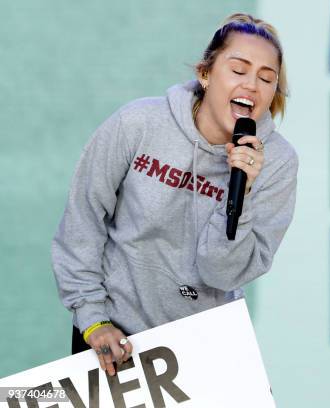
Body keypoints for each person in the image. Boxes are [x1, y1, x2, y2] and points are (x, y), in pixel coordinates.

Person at [51, 13, 297, 376]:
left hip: (205, 346)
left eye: (266, 78)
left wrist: (239, 187)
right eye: (239, 70)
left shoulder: (276, 161)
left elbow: (221, 273)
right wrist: (92, 318)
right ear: (205, 73)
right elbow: (83, 220)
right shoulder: (138, 123)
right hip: (112, 335)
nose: (252, 86)